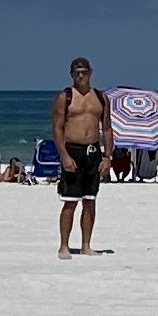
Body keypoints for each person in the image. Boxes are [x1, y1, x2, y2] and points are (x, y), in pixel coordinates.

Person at [51, 55, 109, 257]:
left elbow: (107, 129)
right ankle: (64, 246)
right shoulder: (65, 97)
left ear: (90, 73)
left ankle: (86, 245)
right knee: (70, 200)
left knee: (90, 200)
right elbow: (57, 129)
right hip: (73, 151)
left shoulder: (100, 98)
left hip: (93, 152)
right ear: (71, 75)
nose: (81, 76)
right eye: (77, 73)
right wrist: (64, 156)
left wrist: (107, 156)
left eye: (84, 73)